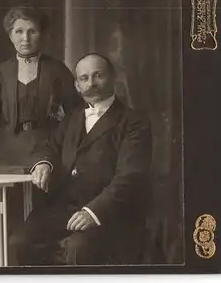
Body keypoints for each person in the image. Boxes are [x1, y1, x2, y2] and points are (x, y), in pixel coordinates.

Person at [9, 53, 152, 265]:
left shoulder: (133, 123)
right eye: (84, 79)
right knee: (18, 242)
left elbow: (129, 178)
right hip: (65, 209)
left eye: (98, 76)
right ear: (77, 86)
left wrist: (93, 211)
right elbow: (48, 146)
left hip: (109, 214)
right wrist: (43, 163)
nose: (91, 84)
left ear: (113, 78)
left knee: (78, 249)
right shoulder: (73, 117)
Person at [0, 6, 81, 265]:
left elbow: (76, 116)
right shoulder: (1, 72)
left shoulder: (58, 70)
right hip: (6, 153)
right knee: (4, 215)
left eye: (32, 31)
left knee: (38, 218)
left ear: (42, 35)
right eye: (19, 31)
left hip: (47, 152)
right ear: (10, 36)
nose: (25, 37)